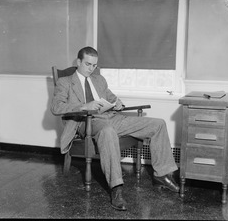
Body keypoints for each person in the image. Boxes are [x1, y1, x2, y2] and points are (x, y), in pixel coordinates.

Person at [51, 46, 179, 211]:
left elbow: (111, 98)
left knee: (158, 124)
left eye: (94, 65)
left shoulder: (99, 79)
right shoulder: (65, 82)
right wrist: (84, 105)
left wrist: (118, 104)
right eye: (88, 64)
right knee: (108, 132)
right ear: (79, 62)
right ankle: (116, 188)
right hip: (88, 121)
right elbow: (56, 107)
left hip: (111, 117)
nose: (91, 69)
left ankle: (161, 175)